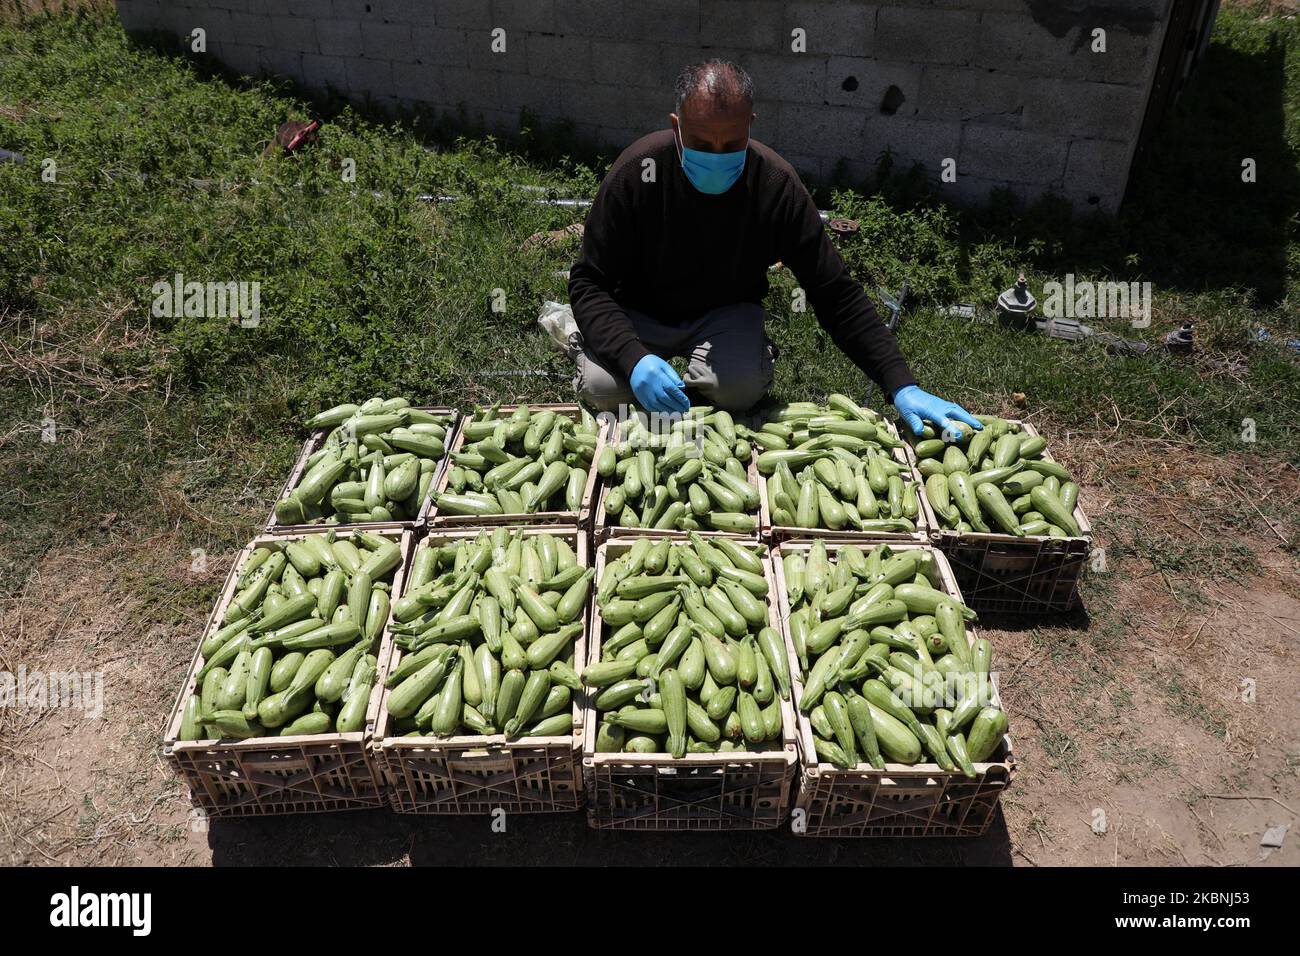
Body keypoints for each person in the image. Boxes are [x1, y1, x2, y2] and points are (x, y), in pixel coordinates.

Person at [567, 59, 980, 438]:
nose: (716, 155)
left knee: (739, 388)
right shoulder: (638, 173)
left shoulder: (775, 185)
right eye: (700, 143)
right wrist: (632, 357)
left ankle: (686, 395)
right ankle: (587, 340)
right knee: (604, 389)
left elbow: (834, 293)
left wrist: (900, 383)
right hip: (641, 311)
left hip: (723, 313)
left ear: (751, 125)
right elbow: (588, 281)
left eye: (731, 145)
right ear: (676, 127)